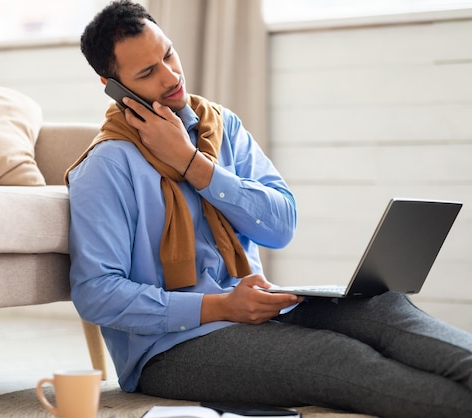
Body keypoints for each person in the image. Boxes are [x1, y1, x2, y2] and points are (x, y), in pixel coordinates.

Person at [65, 1, 472, 417]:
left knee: (385, 310)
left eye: (168, 54)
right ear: (112, 85)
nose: (171, 76)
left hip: (261, 310)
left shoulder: (222, 128)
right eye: (147, 73)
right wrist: (221, 306)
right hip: (169, 348)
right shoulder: (106, 166)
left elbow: (280, 227)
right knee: (335, 357)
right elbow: (96, 293)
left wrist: (195, 166)